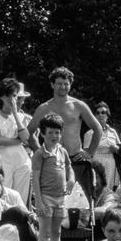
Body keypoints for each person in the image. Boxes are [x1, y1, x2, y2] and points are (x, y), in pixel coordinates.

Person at [28, 67, 102, 207]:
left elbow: (97, 129)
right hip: (52, 162)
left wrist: (89, 152)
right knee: (54, 200)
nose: (63, 87)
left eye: (66, 84)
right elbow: (29, 132)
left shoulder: (78, 105)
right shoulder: (44, 108)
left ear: (70, 85)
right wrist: (40, 152)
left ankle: (83, 227)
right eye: (59, 83)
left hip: (76, 159)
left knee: (83, 202)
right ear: (52, 84)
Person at [32, 112, 74, 241]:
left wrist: (71, 180)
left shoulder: (62, 151)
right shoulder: (39, 154)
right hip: (46, 197)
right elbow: (35, 179)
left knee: (57, 232)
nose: (54, 136)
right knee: (45, 232)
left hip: (60, 198)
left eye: (57, 132)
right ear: (43, 134)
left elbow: (69, 168)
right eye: (50, 132)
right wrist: (40, 202)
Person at [0, 78, 33, 200]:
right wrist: (18, 141)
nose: (14, 100)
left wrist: (15, 114)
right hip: (3, 161)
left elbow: (26, 138)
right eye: (11, 96)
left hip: (22, 161)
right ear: (2, 97)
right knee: (4, 195)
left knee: (20, 198)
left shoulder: (21, 116)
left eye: (15, 96)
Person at [86, 102, 121, 190]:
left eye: (103, 112)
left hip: (111, 162)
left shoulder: (112, 132)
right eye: (97, 113)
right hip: (96, 162)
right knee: (97, 187)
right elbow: (86, 153)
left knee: (109, 188)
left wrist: (116, 149)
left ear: (107, 115)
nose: (100, 115)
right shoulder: (89, 133)